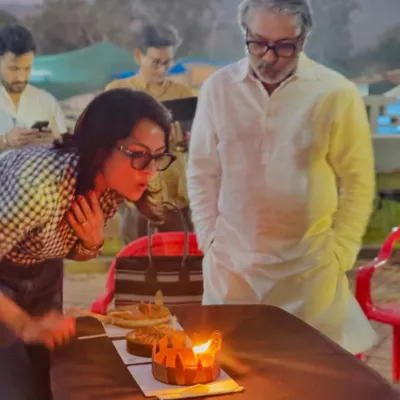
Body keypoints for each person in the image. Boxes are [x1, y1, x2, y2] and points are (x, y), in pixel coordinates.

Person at [187, 0, 377, 355]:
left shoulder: (334, 92)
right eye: (258, 43)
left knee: (311, 367)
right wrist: (207, 238)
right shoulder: (218, 88)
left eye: (284, 46)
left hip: (309, 270)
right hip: (232, 267)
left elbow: (358, 179)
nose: (269, 57)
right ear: (245, 33)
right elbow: (202, 169)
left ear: (303, 40)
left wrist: (343, 251)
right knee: (232, 366)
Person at [0, 88, 174, 399]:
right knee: (15, 389)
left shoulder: (111, 185)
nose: (149, 170)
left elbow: (65, 248)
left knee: (52, 378)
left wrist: (92, 244)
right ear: (100, 147)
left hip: (42, 272)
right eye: (138, 154)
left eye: (158, 156)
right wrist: (23, 324)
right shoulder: (38, 188)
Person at [106, 22, 194, 243]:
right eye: (156, 62)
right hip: (135, 198)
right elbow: (103, 141)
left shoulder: (183, 94)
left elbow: (199, 143)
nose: (162, 69)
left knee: (181, 257)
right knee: (136, 258)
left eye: (167, 62)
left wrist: (186, 143)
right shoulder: (117, 93)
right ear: (138, 56)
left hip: (175, 198)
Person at [0, 24, 67, 152]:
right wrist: (5, 141)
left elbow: (65, 147)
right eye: (14, 69)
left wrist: (54, 142)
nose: (21, 77)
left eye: (27, 68)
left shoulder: (46, 101)